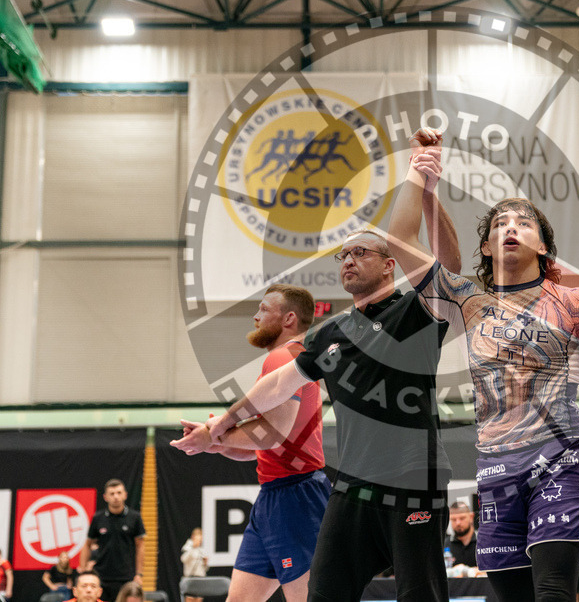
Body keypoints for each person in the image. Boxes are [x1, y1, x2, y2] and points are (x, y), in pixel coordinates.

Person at [387, 128, 579, 602]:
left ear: (543, 246)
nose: (510, 228)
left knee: (554, 589)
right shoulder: (467, 300)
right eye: (499, 224)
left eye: (523, 223)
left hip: (556, 461)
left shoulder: (575, 302)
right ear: (485, 249)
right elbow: (399, 238)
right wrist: (420, 175)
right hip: (495, 469)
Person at [174, 197, 463, 602]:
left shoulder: (415, 313)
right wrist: (219, 427)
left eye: (360, 252)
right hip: (352, 488)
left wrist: (429, 196)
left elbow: (449, 270)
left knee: (420, 595)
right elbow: (276, 386)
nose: (348, 260)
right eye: (343, 255)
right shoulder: (331, 334)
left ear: (388, 264)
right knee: (322, 594)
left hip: (413, 479)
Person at [176, 285, 327, 602]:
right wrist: (214, 443)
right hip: (274, 495)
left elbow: (273, 432)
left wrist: (215, 433)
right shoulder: (292, 359)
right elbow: (265, 445)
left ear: (287, 318)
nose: (255, 316)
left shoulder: (283, 357)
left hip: (295, 498)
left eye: (263, 309)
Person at [78, 480, 145, 602]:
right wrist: (83, 571)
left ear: (125, 495)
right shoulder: (98, 518)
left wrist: (139, 574)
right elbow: (87, 544)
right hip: (101, 576)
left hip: (126, 576)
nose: (116, 497)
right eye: (112, 493)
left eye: (119, 493)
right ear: (105, 497)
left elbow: (140, 546)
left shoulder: (135, 517)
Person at [446, 501, 478, 572]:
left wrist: (467, 571)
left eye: (462, 518)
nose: (458, 523)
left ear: (471, 517)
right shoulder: (445, 545)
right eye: (453, 519)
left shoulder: (483, 542)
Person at [179, 528, 207, 602]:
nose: (199, 541)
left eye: (200, 539)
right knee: (190, 598)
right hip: (190, 577)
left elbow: (205, 569)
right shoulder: (187, 547)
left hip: (200, 578)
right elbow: (183, 559)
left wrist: (205, 563)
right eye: (198, 538)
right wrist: (193, 548)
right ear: (193, 537)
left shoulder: (201, 549)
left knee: (199, 599)